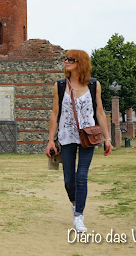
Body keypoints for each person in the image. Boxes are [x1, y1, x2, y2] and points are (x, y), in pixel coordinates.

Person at [45, 50, 112, 233]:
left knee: (82, 176)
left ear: (80, 63)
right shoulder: (59, 86)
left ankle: (78, 216)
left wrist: (107, 138)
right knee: (69, 180)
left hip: (88, 137)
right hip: (67, 136)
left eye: (70, 59)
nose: (66, 61)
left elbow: (99, 112)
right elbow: (54, 113)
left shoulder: (93, 85)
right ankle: (75, 204)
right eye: (65, 58)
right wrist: (51, 140)